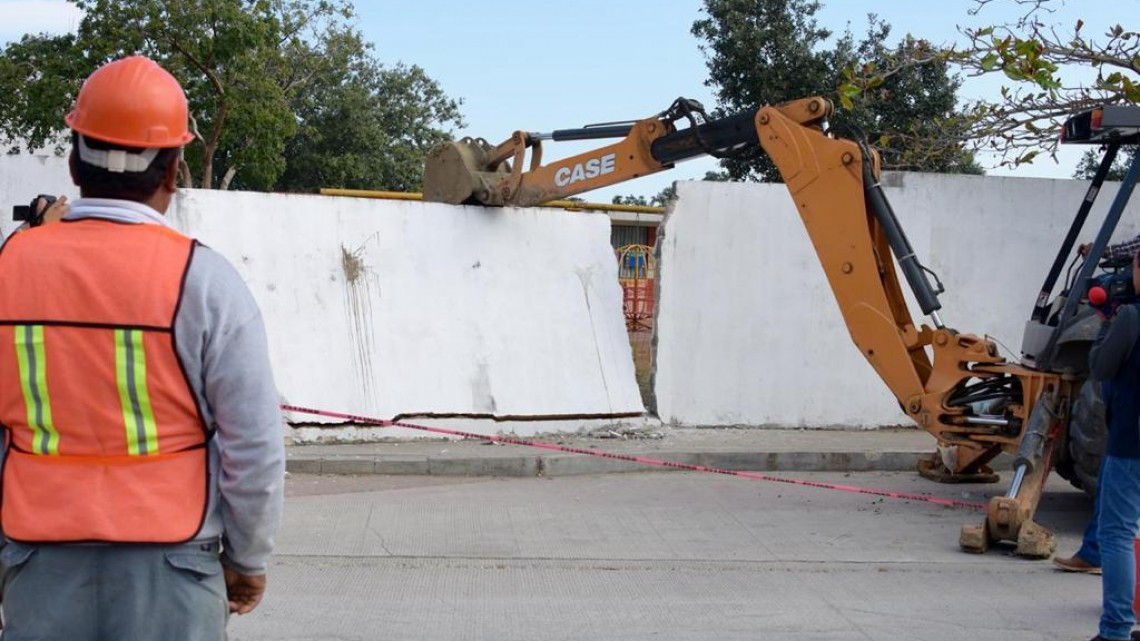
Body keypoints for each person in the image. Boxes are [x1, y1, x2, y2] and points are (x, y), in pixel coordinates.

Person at [0, 56, 285, 640]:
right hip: (174, 568)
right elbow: (253, 446)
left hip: (36, 563)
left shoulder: (9, 268)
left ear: (75, 161)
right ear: (174, 170)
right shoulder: (206, 281)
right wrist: (248, 560)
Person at [1078, 249, 1140, 641]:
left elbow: (1100, 367)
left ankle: (1115, 629)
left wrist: (1106, 323)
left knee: (1117, 533)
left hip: (1132, 442)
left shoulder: (1132, 317)